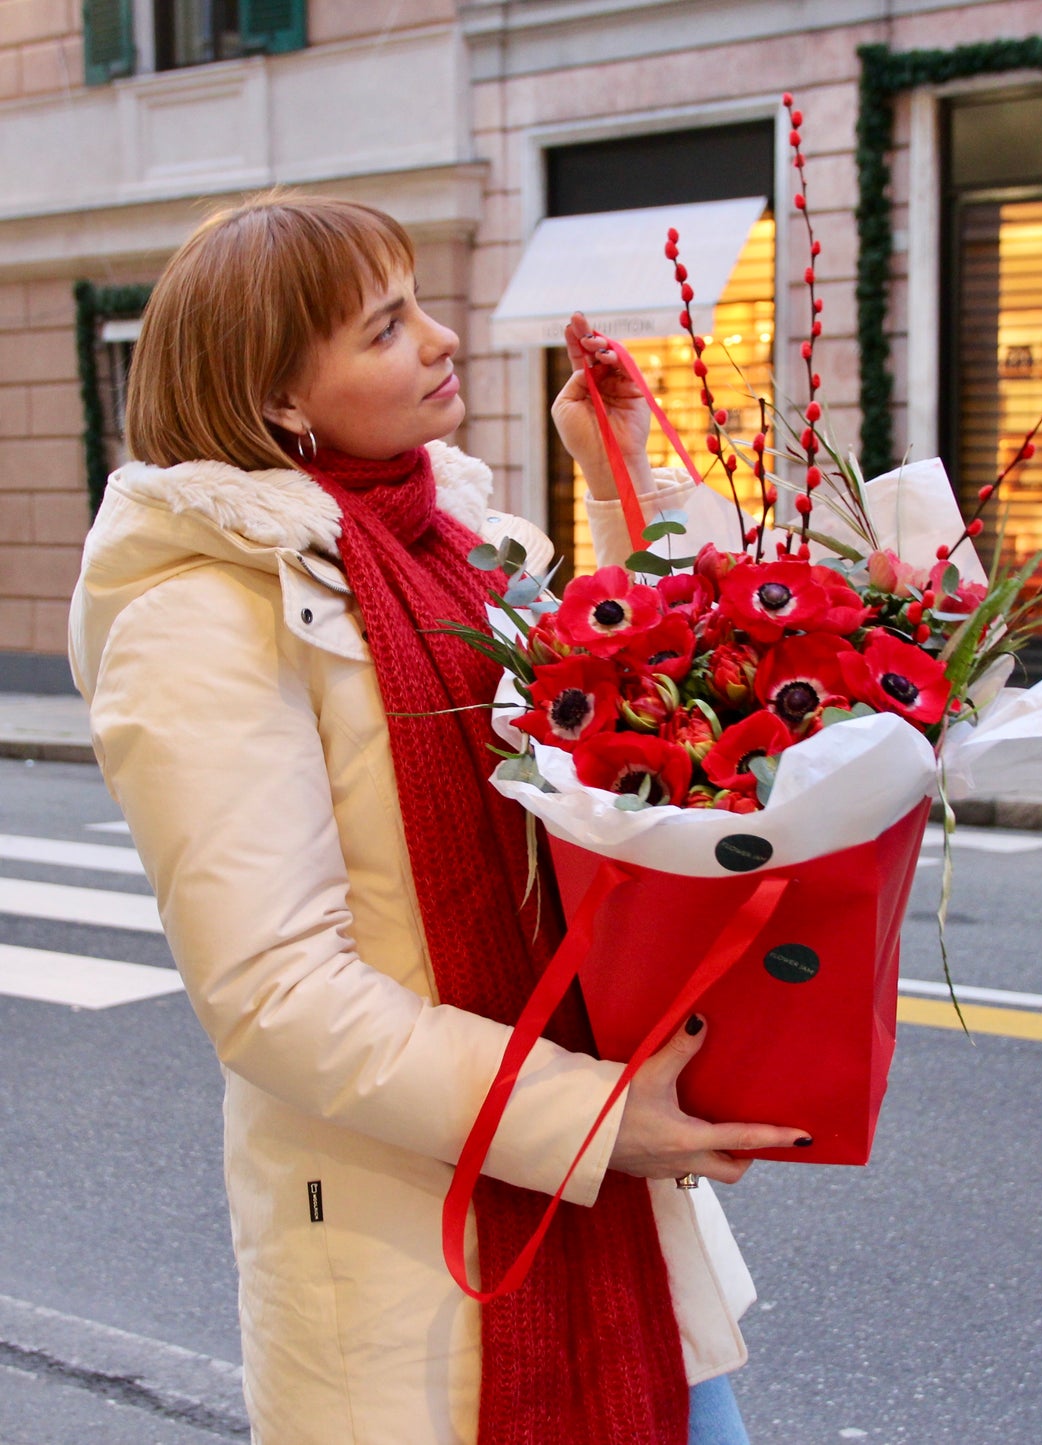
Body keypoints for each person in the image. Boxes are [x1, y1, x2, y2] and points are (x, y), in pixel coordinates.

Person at [67, 193, 808, 1445]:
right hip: (419, 1244)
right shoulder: (199, 620)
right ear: (278, 399)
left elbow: (633, 695)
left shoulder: (463, 542)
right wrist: (588, 1116)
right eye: (383, 327)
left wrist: (617, 469)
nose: (440, 336)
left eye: (415, 302)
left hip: (601, 1219)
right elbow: (275, 992)